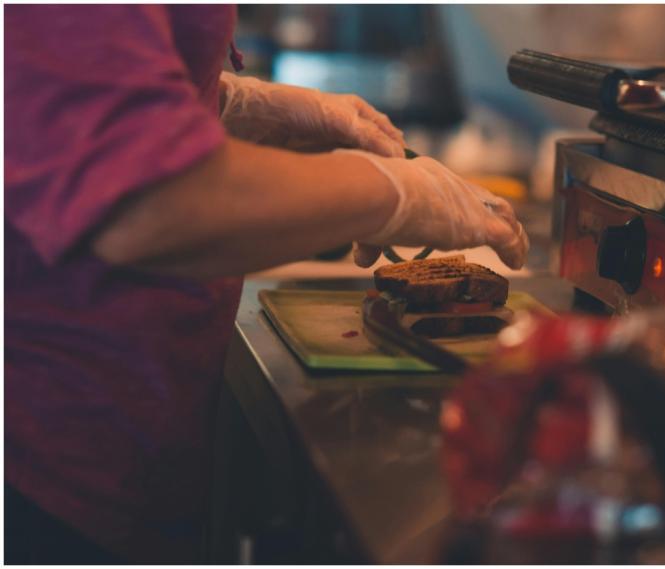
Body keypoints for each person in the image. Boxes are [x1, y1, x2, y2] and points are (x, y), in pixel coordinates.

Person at [5, 5, 528, 564]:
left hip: (126, 443)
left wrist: (238, 105)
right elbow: (144, 202)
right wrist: (392, 195)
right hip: (44, 464)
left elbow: (65, 89)